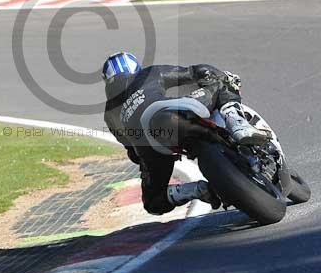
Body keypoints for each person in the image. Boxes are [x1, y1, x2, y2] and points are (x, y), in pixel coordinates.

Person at [102, 51, 271, 215]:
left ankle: (198, 190)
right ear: (134, 67)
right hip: (166, 116)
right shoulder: (147, 74)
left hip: (150, 146)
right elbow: (191, 72)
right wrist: (207, 75)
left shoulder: (109, 114)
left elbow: (133, 153)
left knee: (153, 202)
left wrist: (150, 164)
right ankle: (238, 124)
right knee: (221, 81)